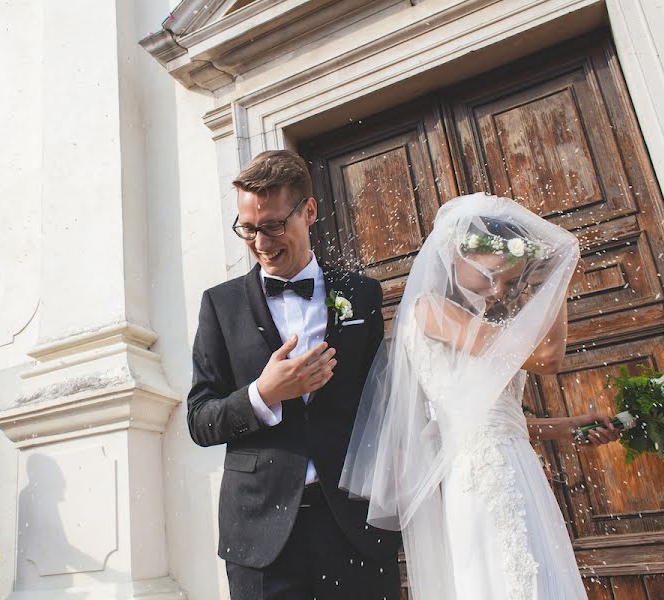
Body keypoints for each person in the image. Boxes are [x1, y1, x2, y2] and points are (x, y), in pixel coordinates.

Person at [341, 192, 620, 599]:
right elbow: (546, 358)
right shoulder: (430, 312)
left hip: (516, 466)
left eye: (510, 282)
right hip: (481, 480)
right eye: (492, 276)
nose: (498, 291)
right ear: (456, 256)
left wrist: (567, 427)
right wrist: (559, 281)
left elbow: (487, 416)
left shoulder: (480, 324)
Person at [188, 150, 402, 600]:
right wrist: (263, 394)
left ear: (309, 211)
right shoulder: (219, 305)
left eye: (273, 225)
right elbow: (199, 420)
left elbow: (382, 404)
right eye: (249, 228)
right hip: (260, 537)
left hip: (354, 527)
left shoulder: (361, 295)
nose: (261, 243)